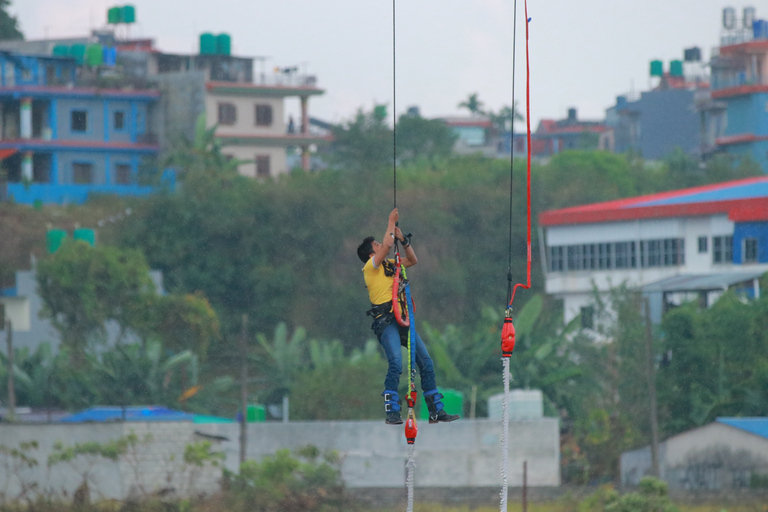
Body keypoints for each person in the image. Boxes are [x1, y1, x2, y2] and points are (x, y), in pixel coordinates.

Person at [357, 208, 460, 425]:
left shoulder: (390, 265)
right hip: (386, 322)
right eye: (376, 246)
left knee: (426, 362)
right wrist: (390, 222)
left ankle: (435, 411)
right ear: (370, 253)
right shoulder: (370, 267)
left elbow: (412, 260)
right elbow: (386, 245)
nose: (380, 246)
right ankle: (392, 410)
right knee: (396, 362)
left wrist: (403, 241)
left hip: (402, 318)